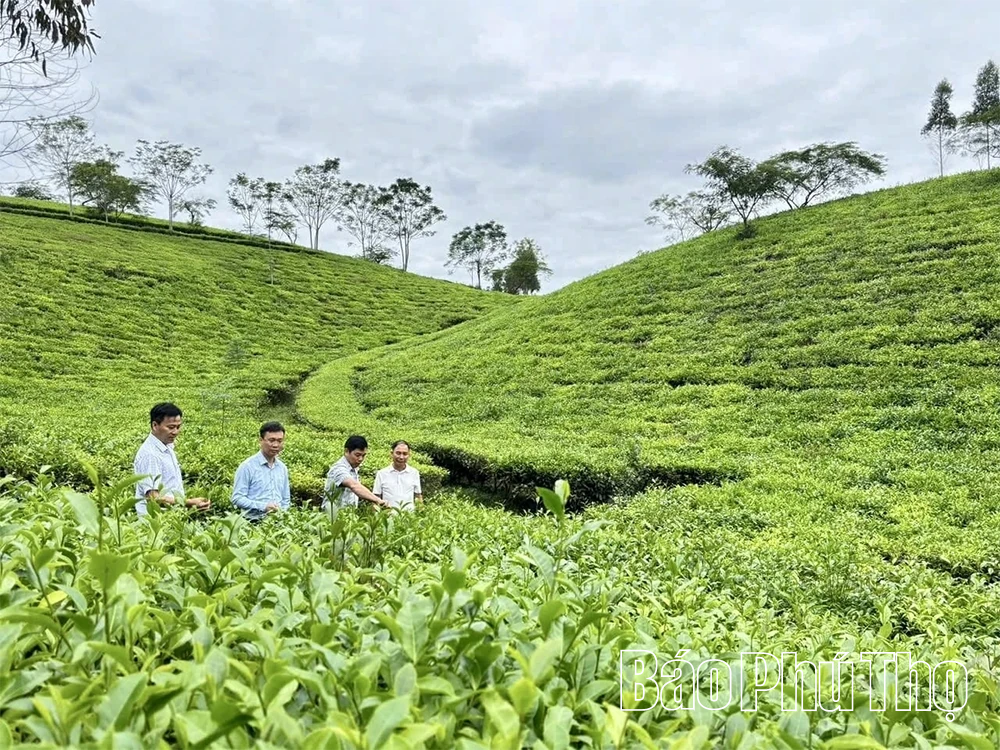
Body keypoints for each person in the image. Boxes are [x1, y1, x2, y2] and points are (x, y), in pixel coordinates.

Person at [133, 402, 211, 515]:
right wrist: (188, 502)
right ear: (155, 425)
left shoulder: (166, 445)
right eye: (170, 427)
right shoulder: (150, 455)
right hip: (156, 523)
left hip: (171, 516)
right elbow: (153, 497)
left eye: (178, 427)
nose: (175, 432)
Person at [231, 421, 291, 522]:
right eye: (271, 440)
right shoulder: (247, 467)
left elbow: (286, 499)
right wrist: (263, 506)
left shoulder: (282, 468)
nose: (276, 445)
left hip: (278, 522)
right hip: (253, 522)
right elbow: (237, 498)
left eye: (279, 441)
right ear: (261, 440)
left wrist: (282, 513)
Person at [322, 435, 391, 510]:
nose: (360, 459)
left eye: (363, 455)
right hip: (332, 517)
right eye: (357, 455)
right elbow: (354, 486)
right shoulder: (338, 469)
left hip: (348, 517)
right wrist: (378, 500)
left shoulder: (354, 469)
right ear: (346, 451)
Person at [373, 440, 422, 512]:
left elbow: (418, 496)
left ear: (409, 455)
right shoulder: (381, 473)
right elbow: (376, 498)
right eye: (398, 453)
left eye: (405, 454)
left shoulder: (414, 473)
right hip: (387, 518)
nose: (401, 457)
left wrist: (421, 514)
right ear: (391, 454)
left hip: (409, 518)